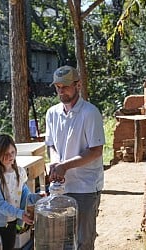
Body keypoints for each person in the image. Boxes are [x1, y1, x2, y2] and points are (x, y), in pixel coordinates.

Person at [45, 65, 105, 250]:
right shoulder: (52, 113)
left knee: (83, 240)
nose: (61, 91)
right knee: (61, 240)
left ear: (78, 85)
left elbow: (96, 151)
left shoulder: (90, 113)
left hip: (85, 186)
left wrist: (65, 166)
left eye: (65, 86)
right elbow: (51, 144)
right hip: (61, 187)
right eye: (58, 87)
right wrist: (55, 162)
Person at [0, 133, 42, 250]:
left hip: (11, 221)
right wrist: (20, 214)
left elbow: (25, 195)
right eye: (5, 154)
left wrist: (38, 197)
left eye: (12, 152)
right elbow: (0, 204)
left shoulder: (20, 172)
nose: (10, 156)